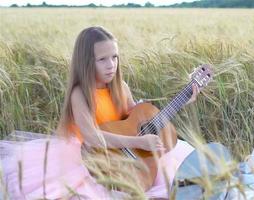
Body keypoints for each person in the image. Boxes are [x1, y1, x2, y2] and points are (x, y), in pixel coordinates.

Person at [0, 26, 200, 199]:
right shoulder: (80, 94)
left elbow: (137, 118)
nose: (111, 65)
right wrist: (139, 142)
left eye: (114, 57)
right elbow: (92, 138)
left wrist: (183, 99)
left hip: (125, 155)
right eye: (102, 59)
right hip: (88, 159)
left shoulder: (121, 87)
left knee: (173, 179)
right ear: (86, 62)